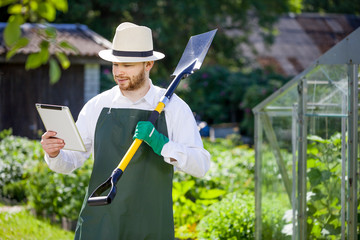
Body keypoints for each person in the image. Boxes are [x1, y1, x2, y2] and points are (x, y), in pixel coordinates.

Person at [41, 22, 211, 240]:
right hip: (101, 219)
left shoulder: (174, 108)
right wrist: (55, 153)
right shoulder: (98, 106)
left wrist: (162, 144)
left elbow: (202, 165)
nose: (119, 72)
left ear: (148, 64)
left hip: (151, 223)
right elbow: (71, 160)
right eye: (115, 65)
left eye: (127, 65)